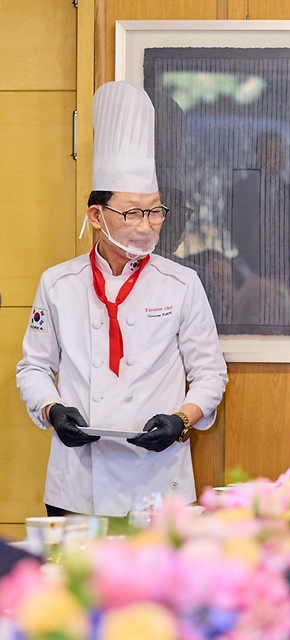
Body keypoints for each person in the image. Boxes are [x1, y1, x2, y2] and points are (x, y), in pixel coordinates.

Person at [15, 81, 228, 518]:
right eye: (132, 212)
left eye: (155, 211)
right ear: (96, 216)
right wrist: (53, 411)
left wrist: (181, 420)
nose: (147, 226)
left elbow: (210, 373)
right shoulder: (58, 284)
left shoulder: (181, 284)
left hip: (157, 482)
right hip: (77, 484)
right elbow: (34, 367)